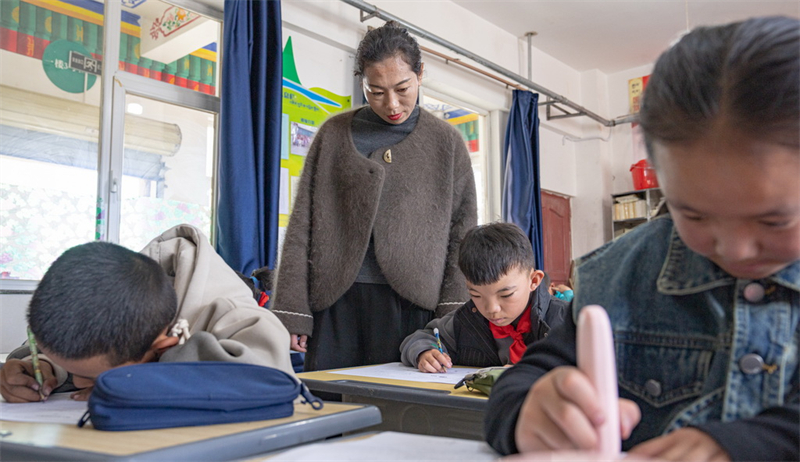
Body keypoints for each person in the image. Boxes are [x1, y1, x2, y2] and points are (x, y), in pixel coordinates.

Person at [484, 16, 799, 462]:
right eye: (695, 213)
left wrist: (744, 446)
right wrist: (529, 409)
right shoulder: (619, 278)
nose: (735, 249)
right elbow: (528, 377)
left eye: (773, 221)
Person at [271, 21, 478, 371]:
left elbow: (463, 236)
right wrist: (293, 311)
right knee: (332, 407)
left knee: (404, 410)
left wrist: (452, 319)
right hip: (336, 303)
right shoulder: (332, 135)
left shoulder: (447, 143)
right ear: (362, 83)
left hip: (413, 311)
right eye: (376, 91)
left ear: (420, 74)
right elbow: (301, 227)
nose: (392, 104)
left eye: (402, 88)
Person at [0, 224, 295, 403]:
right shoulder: (115, 300)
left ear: (161, 350)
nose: (78, 385)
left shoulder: (228, 311)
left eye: (87, 377)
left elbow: (272, 380)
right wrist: (41, 367)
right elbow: (68, 351)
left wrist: (140, 384)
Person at [400, 222, 568, 372]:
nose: (491, 309)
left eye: (506, 294)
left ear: (534, 280)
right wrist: (425, 352)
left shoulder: (568, 321)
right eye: (476, 295)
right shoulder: (466, 320)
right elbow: (423, 337)